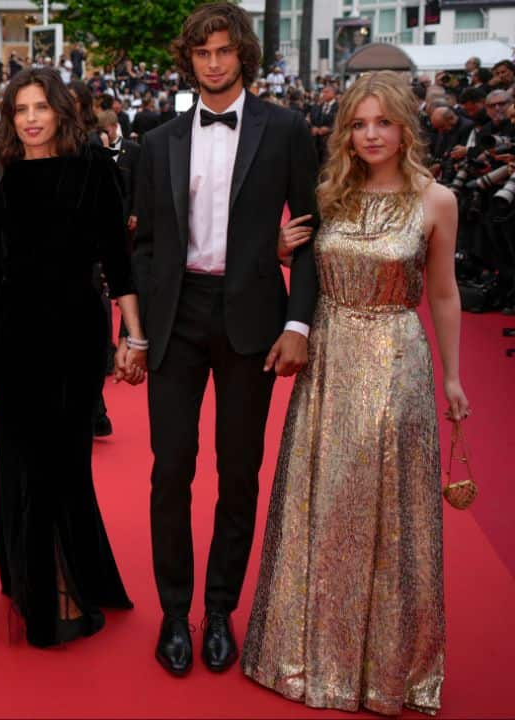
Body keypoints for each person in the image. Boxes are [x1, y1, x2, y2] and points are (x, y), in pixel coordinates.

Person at [242, 71, 466, 716]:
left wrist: (452, 376)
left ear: (404, 128)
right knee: (323, 501)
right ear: (346, 131)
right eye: (360, 123)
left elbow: (445, 292)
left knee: (388, 513)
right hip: (329, 358)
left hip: (396, 361)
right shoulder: (329, 194)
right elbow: (307, 265)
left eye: (383, 123)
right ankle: (303, 658)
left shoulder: (436, 201)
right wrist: (281, 250)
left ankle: (386, 670)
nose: (371, 135)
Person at [132, 2, 318, 677]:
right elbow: (146, 244)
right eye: (203, 53)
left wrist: (299, 322)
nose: (214, 63)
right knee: (170, 470)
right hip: (177, 316)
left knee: (238, 474)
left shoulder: (288, 129)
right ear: (190, 60)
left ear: (243, 55)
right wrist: (140, 329)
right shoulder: (157, 141)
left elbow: (312, 231)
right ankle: (174, 612)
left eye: (225, 52)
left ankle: (220, 609)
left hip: (253, 320)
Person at [0, 69, 141, 648]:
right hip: (13, 337)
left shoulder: (95, 168)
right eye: (20, 108)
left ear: (61, 113)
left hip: (75, 331)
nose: (29, 118)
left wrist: (135, 335)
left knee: (66, 462)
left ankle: (68, 584)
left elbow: (117, 259)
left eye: (40, 108)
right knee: (24, 460)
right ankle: (35, 581)